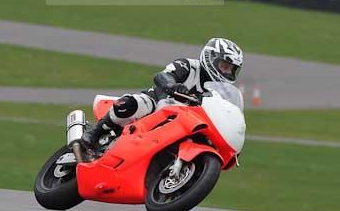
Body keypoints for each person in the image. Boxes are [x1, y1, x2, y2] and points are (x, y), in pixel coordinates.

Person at [80, 37, 244, 150]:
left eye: (231, 69)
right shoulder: (189, 66)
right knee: (130, 104)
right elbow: (162, 76)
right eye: (224, 66)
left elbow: (223, 112)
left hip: (189, 123)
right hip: (159, 103)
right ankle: (95, 131)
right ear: (211, 58)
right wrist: (174, 86)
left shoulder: (220, 91)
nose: (227, 72)